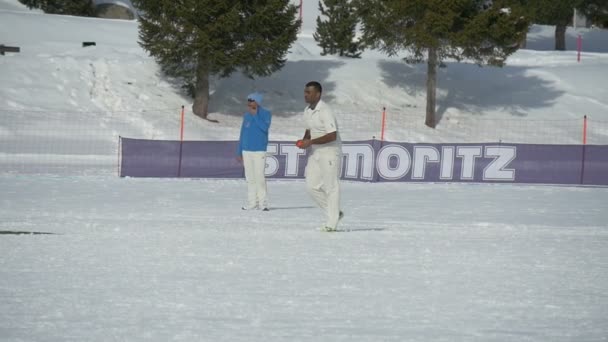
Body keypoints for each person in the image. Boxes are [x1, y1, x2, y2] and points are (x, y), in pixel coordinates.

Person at [296, 81, 343, 231]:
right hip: (315, 152)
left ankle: (332, 223)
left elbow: (332, 135)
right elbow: (309, 130)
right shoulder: (307, 110)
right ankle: (335, 213)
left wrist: (310, 142)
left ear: (318, 94)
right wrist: (305, 140)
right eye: (305, 91)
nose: (305, 95)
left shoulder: (325, 111)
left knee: (331, 187)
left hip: (329, 152)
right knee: (311, 187)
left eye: (308, 92)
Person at [237, 92, 272, 211]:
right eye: (248, 100)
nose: (249, 102)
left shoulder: (266, 114)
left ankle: (263, 203)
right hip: (246, 151)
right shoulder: (246, 115)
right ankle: (252, 203)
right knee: (250, 178)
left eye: (251, 100)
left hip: (259, 151)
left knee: (259, 178)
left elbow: (264, 128)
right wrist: (239, 151)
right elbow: (242, 134)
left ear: (257, 102)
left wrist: (256, 115)